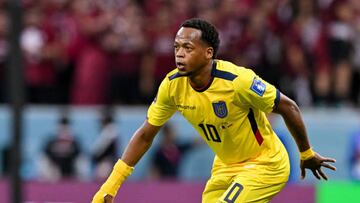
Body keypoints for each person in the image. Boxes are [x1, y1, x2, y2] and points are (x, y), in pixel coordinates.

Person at [92, 18, 336, 203]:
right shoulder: (172, 86)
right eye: (177, 46)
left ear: (208, 53)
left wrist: (306, 153)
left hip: (265, 164)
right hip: (225, 166)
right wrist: (111, 184)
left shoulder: (237, 81)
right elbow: (146, 134)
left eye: (188, 47)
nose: (179, 52)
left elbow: (288, 106)